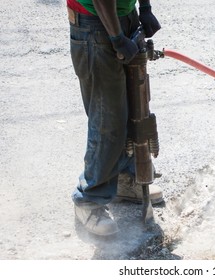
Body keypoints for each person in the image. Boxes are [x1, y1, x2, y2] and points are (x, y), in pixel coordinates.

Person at [67, 0, 163, 236]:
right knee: (107, 119)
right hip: (95, 23)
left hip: (123, 16)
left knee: (133, 109)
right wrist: (117, 38)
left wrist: (145, 8)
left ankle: (122, 180)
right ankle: (89, 197)